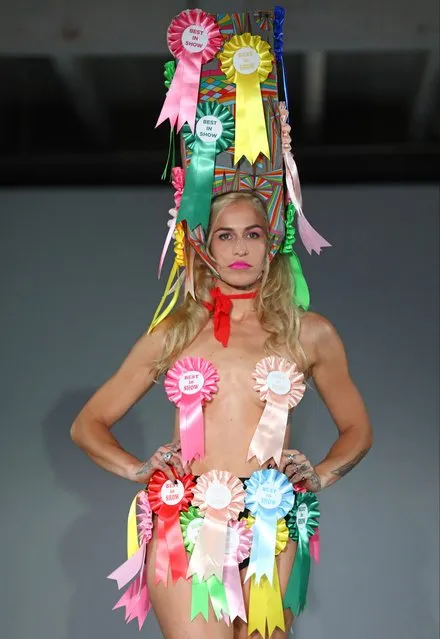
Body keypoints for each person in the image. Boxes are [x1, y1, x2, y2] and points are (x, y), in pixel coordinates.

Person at [70, 189, 373, 639]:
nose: (239, 248)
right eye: (224, 236)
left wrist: (320, 475)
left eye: (252, 234)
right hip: (187, 520)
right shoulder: (174, 334)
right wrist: (139, 470)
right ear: (205, 247)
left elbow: (357, 430)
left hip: (272, 521)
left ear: (271, 243)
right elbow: (87, 425)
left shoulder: (310, 333)